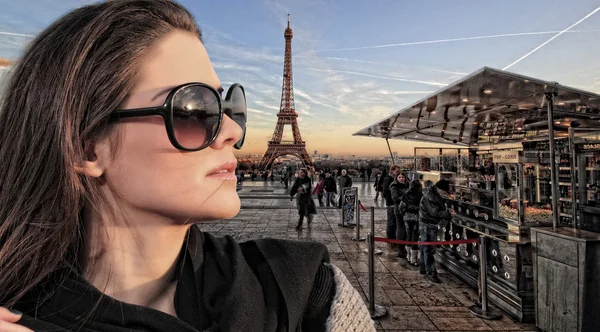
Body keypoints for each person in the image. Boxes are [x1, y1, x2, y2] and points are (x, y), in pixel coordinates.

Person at [0, 1, 375, 331]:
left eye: (229, 108)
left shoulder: (312, 292)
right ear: (87, 151)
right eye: (194, 109)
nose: (231, 130)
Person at [419, 179, 454, 284]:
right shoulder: (431, 196)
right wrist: (448, 214)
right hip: (428, 224)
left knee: (424, 247)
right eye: (444, 191)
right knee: (429, 249)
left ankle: (423, 267)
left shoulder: (432, 193)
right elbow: (435, 212)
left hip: (426, 223)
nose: (445, 193)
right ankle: (431, 272)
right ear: (439, 189)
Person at [399, 180, 423, 267]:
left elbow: (401, 207)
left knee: (408, 235)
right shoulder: (421, 195)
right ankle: (414, 259)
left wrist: (404, 214)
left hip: (407, 217)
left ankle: (408, 256)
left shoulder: (406, 194)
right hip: (416, 217)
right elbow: (422, 207)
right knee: (415, 237)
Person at [390, 172, 409, 258]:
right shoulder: (394, 186)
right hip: (399, 210)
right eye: (399, 177)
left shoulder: (408, 185)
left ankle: (407, 247)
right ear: (396, 178)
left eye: (402, 177)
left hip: (408, 210)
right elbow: (395, 198)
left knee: (407, 229)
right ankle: (401, 249)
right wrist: (405, 197)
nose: (401, 178)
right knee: (401, 228)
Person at [382, 166, 400, 249]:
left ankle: (395, 238)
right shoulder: (388, 179)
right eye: (397, 171)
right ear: (392, 171)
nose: (398, 172)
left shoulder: (396, 179)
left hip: (396, 204)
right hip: (391, 204)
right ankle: (390, 240)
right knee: (391, 222)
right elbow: (385, 192)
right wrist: (391, 199)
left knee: (396, 222)